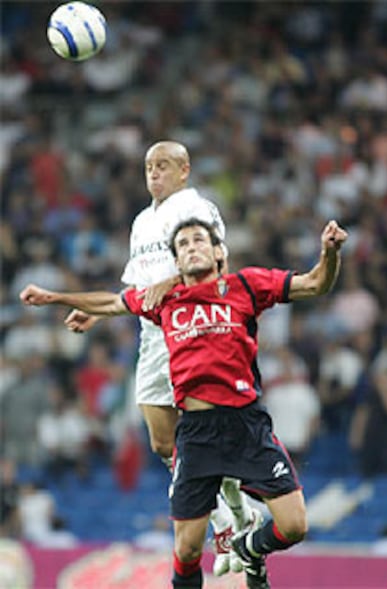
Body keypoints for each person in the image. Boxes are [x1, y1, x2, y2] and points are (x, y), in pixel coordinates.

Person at [20, 216, 348, 589]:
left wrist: (330, 253)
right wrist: (54, 297)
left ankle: (249, 549)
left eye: (198, 240)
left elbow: (316, 283)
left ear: (217, 250)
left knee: (294, 526)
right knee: (188, 549)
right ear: (177, 262)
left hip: (246, 425)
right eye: (184, 245)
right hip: (195, 432)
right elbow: (111, 302)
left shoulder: (246, 285)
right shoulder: (164, 299)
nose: (192, 247)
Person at [62, 140, 255, 575]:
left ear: (184, 170)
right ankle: (229, 517)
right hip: (153, 335)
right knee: (163, 442)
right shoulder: (141, 221)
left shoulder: (196, 207)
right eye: (149, 166)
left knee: (206, 429)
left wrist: (171, 283)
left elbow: (218, 262)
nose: (154, 173)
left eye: (163, 165)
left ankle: (230, 518)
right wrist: (97, 313)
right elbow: (137, 285)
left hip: (193, 328)